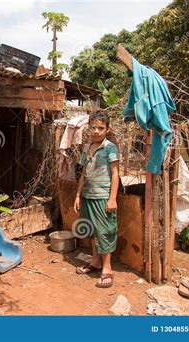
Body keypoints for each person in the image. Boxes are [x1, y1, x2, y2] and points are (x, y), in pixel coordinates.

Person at [74, 111, 120, 288]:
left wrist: (112, 198)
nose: (96, 131)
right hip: (87, 195)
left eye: (101, 128)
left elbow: (115, 174)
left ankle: (107, 268)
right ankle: (95, 261)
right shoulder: (87, 148)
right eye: (93, 127)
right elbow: (84, 173)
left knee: (105, 231)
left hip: (103, 196)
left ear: (107, 129)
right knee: (92, 230)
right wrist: (78, 195)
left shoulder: (110, 148)